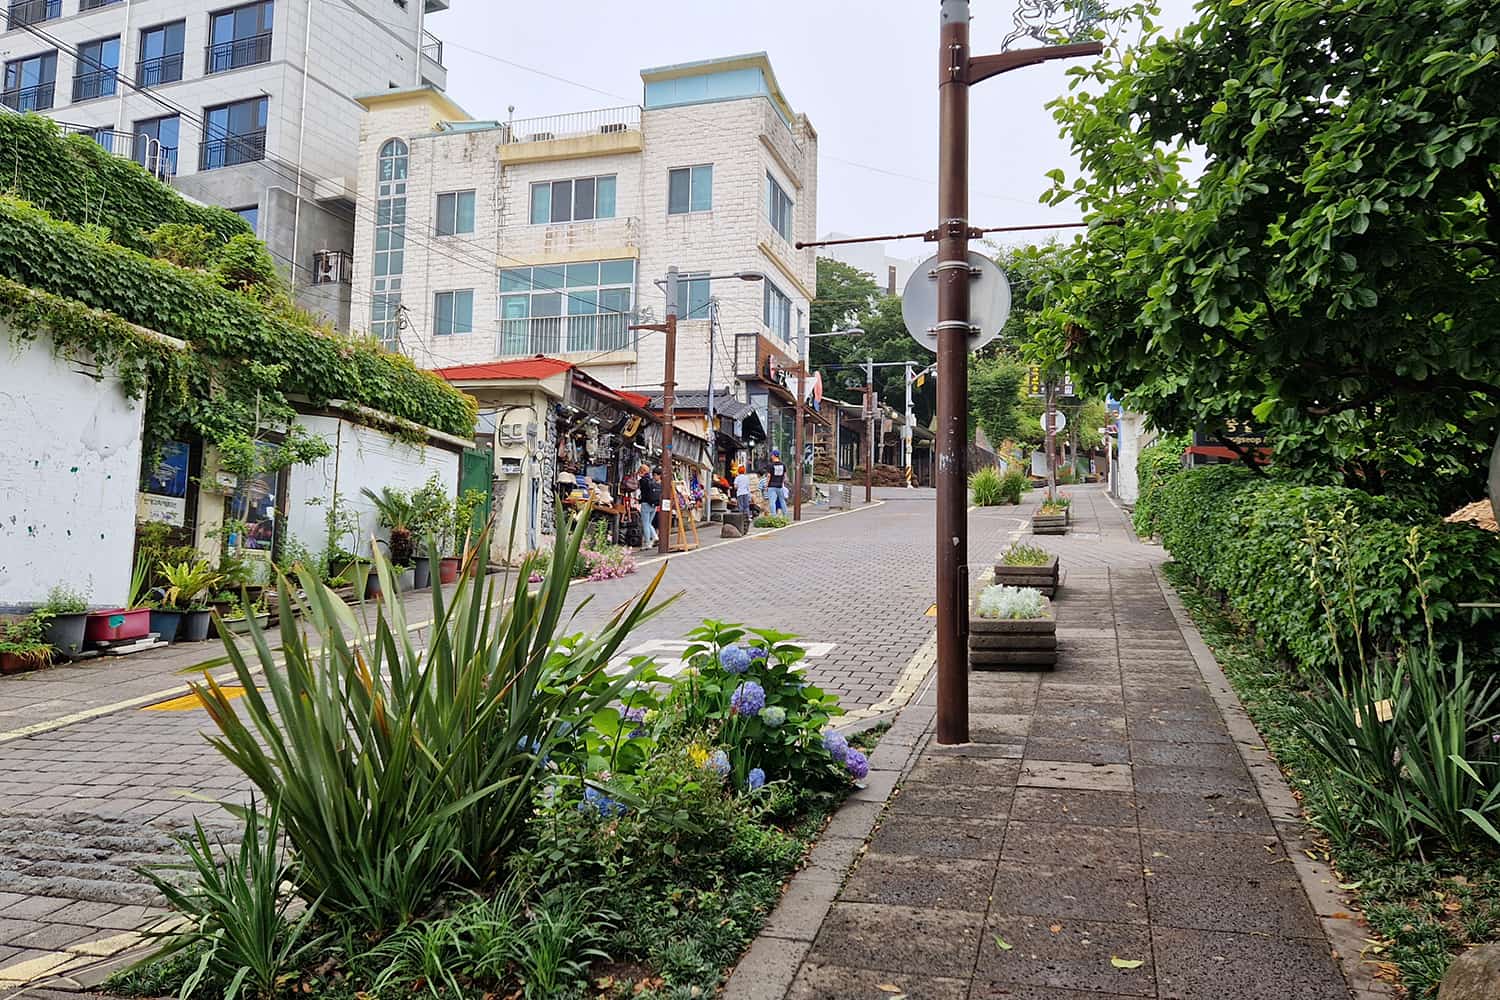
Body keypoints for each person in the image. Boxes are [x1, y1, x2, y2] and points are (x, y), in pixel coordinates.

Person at [637, 464, 660, 547]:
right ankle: (655, 537)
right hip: (654, 505)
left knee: (645, 524)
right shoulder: (652, 481)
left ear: (642, 471)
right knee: (649, 523)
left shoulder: (643, 481)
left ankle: (648, 542)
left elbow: (641, 491)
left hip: (645, 504)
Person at [765, 448, 788, 515]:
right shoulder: (783, 465)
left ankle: (773, 517)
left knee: (772, 501)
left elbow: (769, 476)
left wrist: (766, 485)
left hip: (771, 486)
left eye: (772, 455)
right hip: (780, 486)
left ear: (774, 455)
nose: (771, 456)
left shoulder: (771, 465)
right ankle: (785, 516)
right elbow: (785, 476)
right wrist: (782, 482)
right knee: (782, 501)